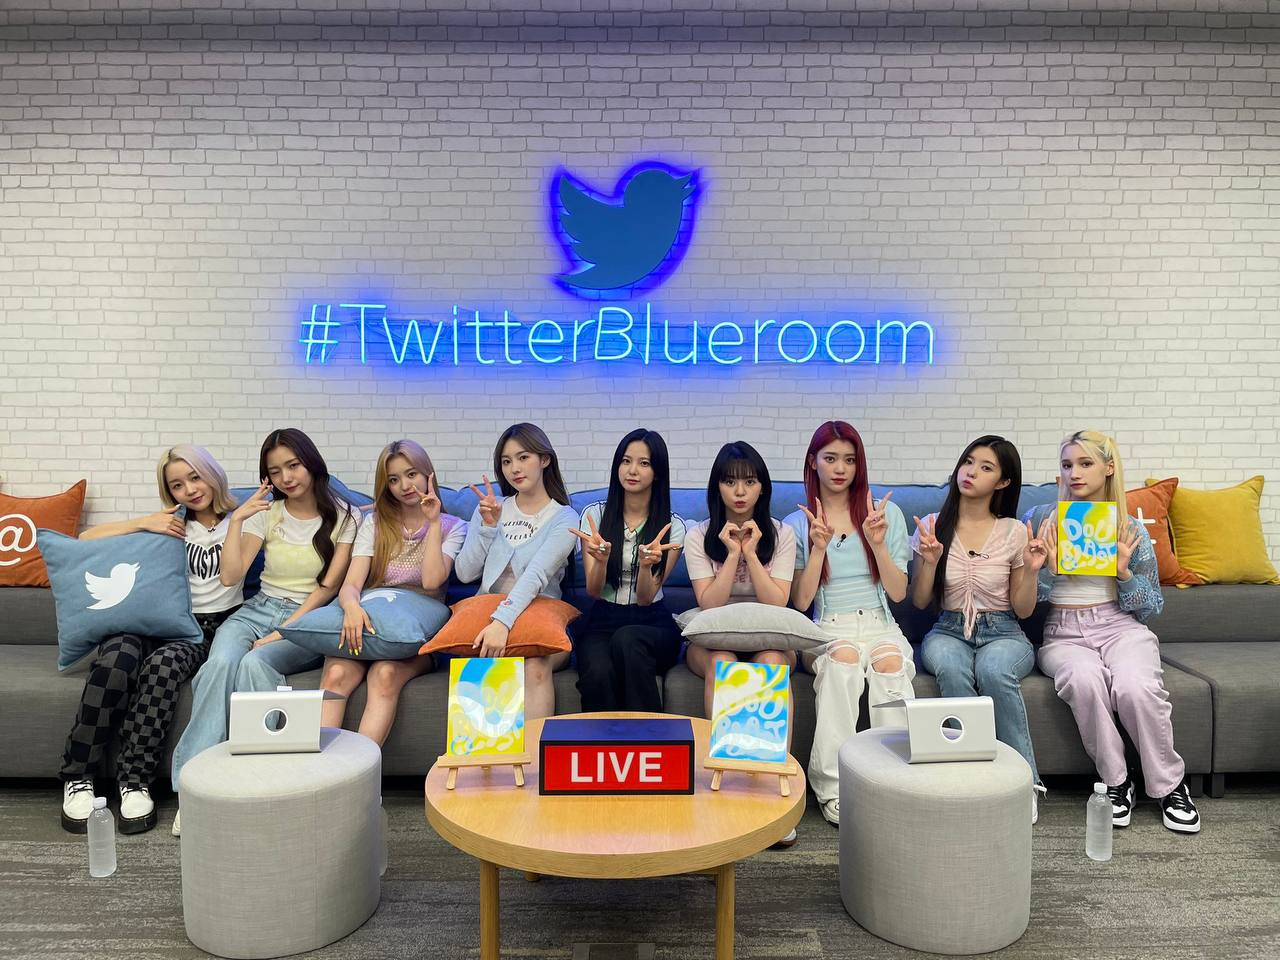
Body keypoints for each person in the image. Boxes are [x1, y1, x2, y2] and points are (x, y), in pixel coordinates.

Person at [170, 428, 356, 835]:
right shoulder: (265, 514)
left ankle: (270, 783)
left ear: (311, 463)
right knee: (219, 664)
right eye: (275, 471)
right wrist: (238, 519)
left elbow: (327, 588)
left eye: (293, 465)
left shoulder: (346, 516)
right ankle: (193, 790)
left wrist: (285, 630)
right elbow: (230, 577)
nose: (286, 477)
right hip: (257, 609)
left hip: (309, 617)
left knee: (255, 662)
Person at [60, 445, 243, 834]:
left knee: (163, 666)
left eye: (195, 477)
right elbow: (88, 537)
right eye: (177, 485)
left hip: (201, 629)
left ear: (212, 473)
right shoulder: (169, 523)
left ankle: (134, 781)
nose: (189, 490)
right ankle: (78, 777)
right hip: (149, 619)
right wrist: (146, 523)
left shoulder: (242, 518)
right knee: (116, 657)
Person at [1024, 430, 1200, 833]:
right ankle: (1116, 782)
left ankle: (1170, 785)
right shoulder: (1040, 519)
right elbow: (1024, 601)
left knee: (1136, 687)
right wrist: (1048, 570)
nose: (1074, 473)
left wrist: (1123, 574)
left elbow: (1152, 606)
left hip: (1120, 626)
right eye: (1067, 464)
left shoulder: (1129, 528)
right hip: (1064, 632)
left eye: (1085, 463)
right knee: (1083, 680)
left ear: (1108, 468)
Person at [784, 421, 912, 827]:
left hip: (879, 624)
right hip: (828, 627)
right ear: (813, 462)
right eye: (831, 458)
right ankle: (833, 788)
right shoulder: (796, 522)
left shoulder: (884, 514)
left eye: (850, 460)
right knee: (843, 661)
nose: (840, 468)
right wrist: (818, 548)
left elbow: (899, 593)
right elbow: (801, 602)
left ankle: (895, 783)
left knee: (890, 666)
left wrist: (878, 544)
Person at [911, 435, 1045, 823]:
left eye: (986, 467)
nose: (970, 472)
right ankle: (971, 780)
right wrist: (930, 560)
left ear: (1003, 482)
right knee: (952, 667)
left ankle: (1023, 783)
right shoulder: (932, 525)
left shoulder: (1014, 531)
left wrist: (1032, 570)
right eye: (968, 461)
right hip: (948, 629)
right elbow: (920, 601)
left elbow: (1023, 609)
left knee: (994, 670)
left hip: (1003, 631)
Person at [453, 423, 579, 721]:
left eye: (523, 458)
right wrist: (487, 527)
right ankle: (483, 752)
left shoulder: (565, 517)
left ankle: (533, 752)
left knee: (535, 665)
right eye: (506, 461)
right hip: (485, 615)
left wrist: (502, 622)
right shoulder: (491, 508)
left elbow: (536, 575)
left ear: (544, 459)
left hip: (541, 617)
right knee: (484, 663)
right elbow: (464, 573)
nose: (514, 469)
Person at [572, 428, 685, 712]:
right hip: (603, 619)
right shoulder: (595, 516)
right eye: (626, 461)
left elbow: (646, 598)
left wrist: (646, 566)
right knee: (597, 672)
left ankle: (650, 735)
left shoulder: (672, 527)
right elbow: (593, 591)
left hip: (652, 623)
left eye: (644, 463)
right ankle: (601, 740)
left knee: (628, 640)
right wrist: (600, 560)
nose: (632, 470)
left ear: (657, 472)